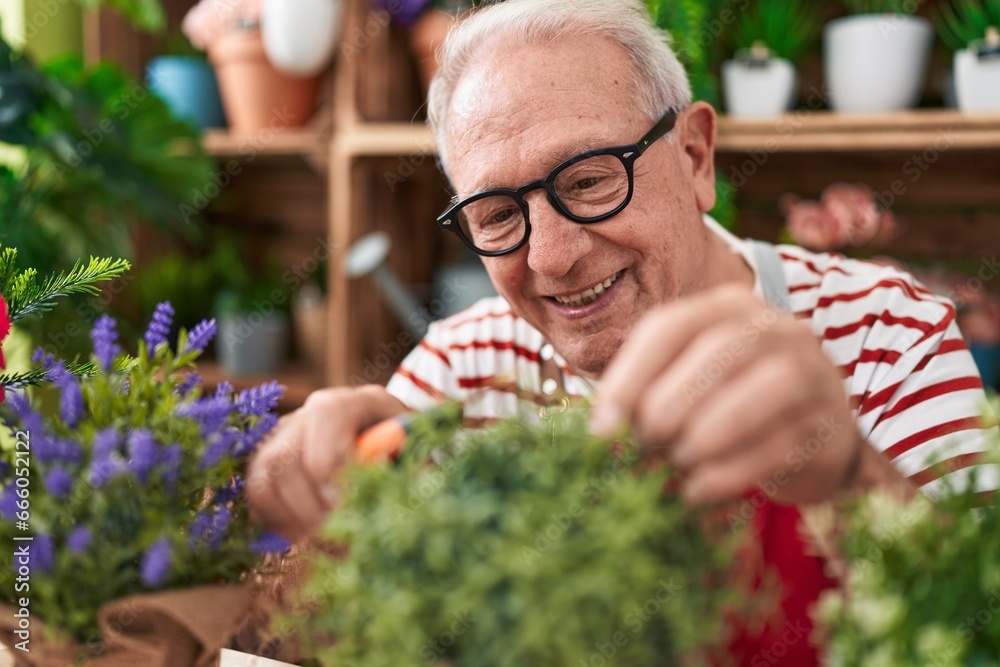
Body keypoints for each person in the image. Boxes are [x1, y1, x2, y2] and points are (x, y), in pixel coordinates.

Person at [247, 0, 997, 663]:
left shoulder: (888, 335)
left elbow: (977, 620)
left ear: (697, 157)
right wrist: (316, 486)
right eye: (498, 216)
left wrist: (852, 480)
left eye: (589, 179)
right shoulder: (460, 368)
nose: (552, 257)